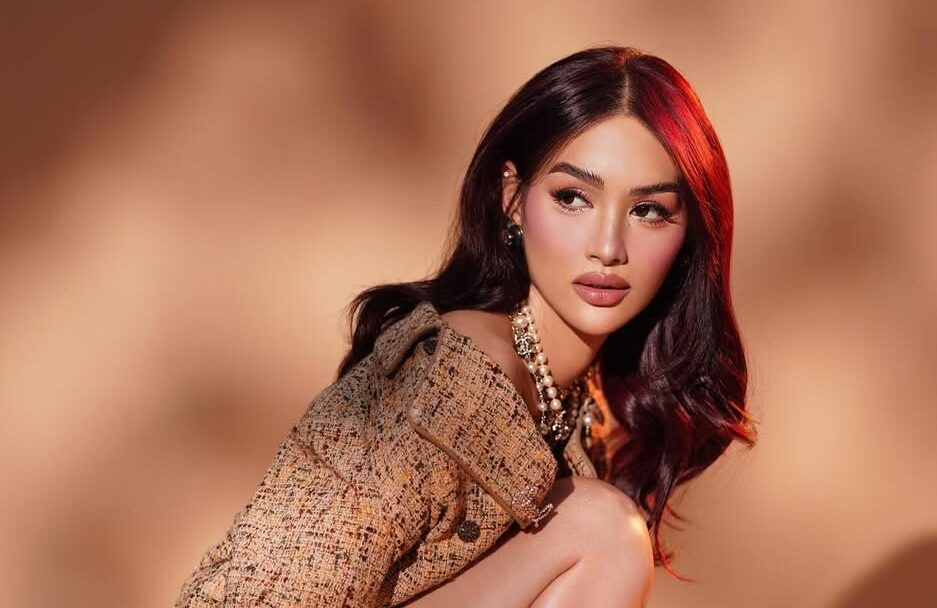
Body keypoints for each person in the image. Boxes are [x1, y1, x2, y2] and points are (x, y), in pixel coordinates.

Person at [175, 44, 757, 608]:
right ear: (512, 200)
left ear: (688, 237)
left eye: (648, 210)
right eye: (573, 197)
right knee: (604, 532)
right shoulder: (460, 373)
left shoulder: (585, 410)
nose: (608, 247)